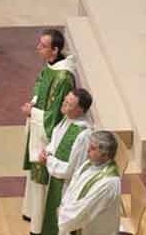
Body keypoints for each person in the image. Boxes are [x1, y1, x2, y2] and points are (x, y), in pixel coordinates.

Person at [22, 29, 77, 228]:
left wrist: (33, 113)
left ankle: (40, 223)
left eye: (43, 46)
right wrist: (33, 103)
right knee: (34, 179)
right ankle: (32, 213)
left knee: (42, 178)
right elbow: (40, 86)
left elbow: (54, 116)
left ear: (55, 50)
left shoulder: (63, 77)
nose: (38, 48)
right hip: (38, 124)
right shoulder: (50, 67)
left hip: (47, 133)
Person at [35, 87, 93, 235]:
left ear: (80, 110)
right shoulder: (67, 119)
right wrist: (47, 151)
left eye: (69, 104)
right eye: (65, 101)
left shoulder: (83, 135)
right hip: (55, 176)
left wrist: (48, 161)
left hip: (67, 187)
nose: (63, 105)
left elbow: (72, 170)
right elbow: (56, 140)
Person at [55, 131, 122, 234]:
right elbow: (72, 188)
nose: (88, 150)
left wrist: (63, 215)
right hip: (71, 217)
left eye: (93, 148)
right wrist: (64, 207)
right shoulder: (89, 164)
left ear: (105, 154)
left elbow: (85, 211)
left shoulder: (109, 183)